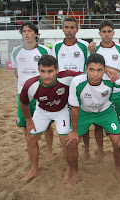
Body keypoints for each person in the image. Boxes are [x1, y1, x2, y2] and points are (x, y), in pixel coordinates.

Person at [66, 53, 120, 189]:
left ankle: (118, 171)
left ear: (104, 69)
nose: (95, 74)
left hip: (105, 112)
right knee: (71, 143)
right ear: (86, 68)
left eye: (99, 70)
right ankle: (74, 174)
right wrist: (74, 131)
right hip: (85, 113)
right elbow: (74, 107)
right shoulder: (77, 81)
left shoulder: (112, 78)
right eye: (91, 70)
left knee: (118, 143)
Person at [19, 55, 82, 183]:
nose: (46, 75)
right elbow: (24, 103)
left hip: (62, 111)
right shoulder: (31, 84)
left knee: (66, 141)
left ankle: (70, 170)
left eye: (50, 71)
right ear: (38, 70)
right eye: (43, 71)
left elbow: (89, 73)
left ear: (57, 70)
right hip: (42, 111)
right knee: (31, 139)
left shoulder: (67, 77)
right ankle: (34, 170)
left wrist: (110, 71)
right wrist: (29, 120)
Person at [10, 22, 54, 181]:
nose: (27, 34)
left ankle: (49, 149)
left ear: (36, 34)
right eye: (24, 31)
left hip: (42, 93)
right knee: (26, 125)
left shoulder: (44, 51)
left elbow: (51, 72)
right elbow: (16, 72)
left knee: (48, 125)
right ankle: (33, 153)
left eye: (30, 31)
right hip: (23, 94)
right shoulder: (15, 52)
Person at [88, 19, 120, 162]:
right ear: (99, 33)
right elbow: (89, 70)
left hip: (117, 92)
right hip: (99, 92)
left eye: (109, 31)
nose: (106, 34)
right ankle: (101, 151)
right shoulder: (94, 49)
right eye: (103, 32)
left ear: (113, 33)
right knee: (98, 125)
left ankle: (119, 149)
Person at [52, 17, 92, 162]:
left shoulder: (84, 45)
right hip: (62, 88)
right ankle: (68, 150)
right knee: (66, 120)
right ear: (62, 29)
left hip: (80, 87)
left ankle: (87, 150)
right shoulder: (56, 46)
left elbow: (89, 66)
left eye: (72, 27)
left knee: (83, 119)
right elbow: (53, 68)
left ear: (77, 29)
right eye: (66, 27)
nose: (69, 30)